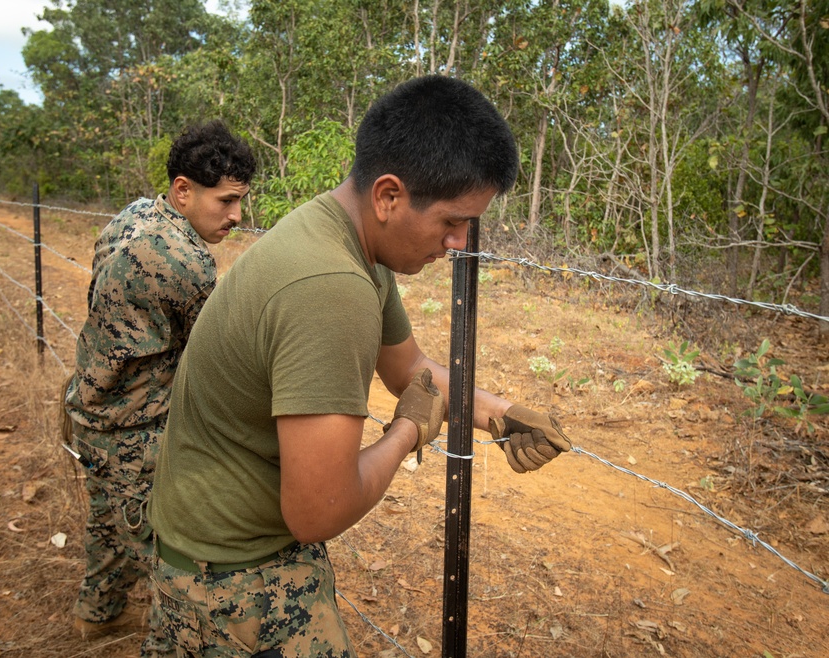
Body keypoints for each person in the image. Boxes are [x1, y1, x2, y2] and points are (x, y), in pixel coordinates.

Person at [145, 76, 572, 656]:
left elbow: (409, 370)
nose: (458, 242)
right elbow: (318, 510)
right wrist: (408, 432)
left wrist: (499, 413)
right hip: (232, 579)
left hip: (211, 549)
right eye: (451, 221)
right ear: (389, 196)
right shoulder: (331, 286)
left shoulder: (342, 235)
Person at [61, 120, 255, 653]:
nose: (237, 216)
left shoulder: (131, 219)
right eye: (227, 201)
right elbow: (210, 359)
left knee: (107, 518)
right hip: (135, 431)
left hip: (91, 409)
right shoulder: (186, 262)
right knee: (169, 559)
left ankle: (96, 613)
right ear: (183, 191)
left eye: (241, 201)